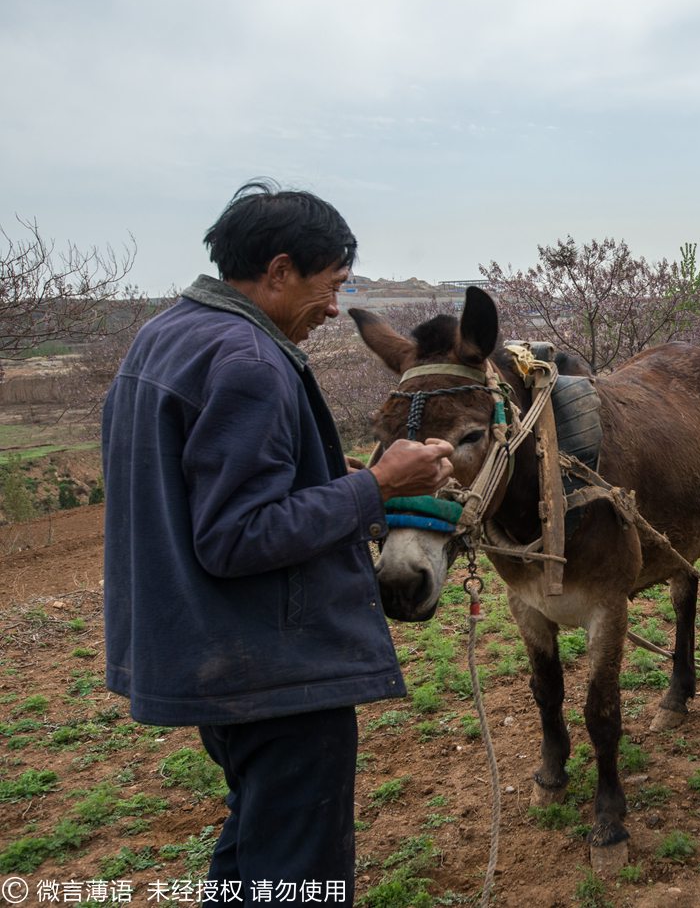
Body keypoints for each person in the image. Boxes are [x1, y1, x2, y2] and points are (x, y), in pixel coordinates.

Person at [103, 182, 454, 905]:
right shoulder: (252, 363)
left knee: (255, 850)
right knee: (297, 874)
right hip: (275, 670)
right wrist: (375, 488)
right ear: (279, 270)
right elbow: (234, 536)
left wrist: (322, 480)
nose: (333, 309)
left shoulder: (165, 336)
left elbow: (196, 488)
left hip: (206, 652)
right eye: (329, 288)